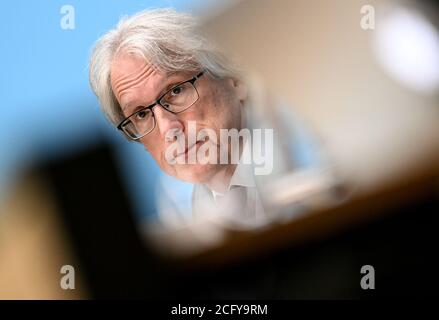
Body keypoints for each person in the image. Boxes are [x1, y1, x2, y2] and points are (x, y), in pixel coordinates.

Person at [89, 8, 337, 232]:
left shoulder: (317, 129)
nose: (168, 129)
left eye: (175, 91)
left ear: (234, 79)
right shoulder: (176, 204)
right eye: (141, 114)